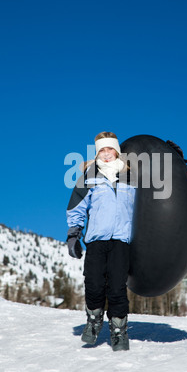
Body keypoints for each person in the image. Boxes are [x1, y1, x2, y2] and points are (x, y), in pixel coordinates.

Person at [66, 132, 136, 351]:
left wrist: (172, 157)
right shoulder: (89, 176)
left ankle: (118, 331)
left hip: (121, 241)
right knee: (94, 284)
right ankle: (94, 321)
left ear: (117, 151)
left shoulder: (132, 178)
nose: (106, 154)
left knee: (117, 287)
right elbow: (77, 206)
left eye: (110, 149)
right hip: (96, 240)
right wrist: (74, 234)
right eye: (101, 150)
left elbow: (156, 203)